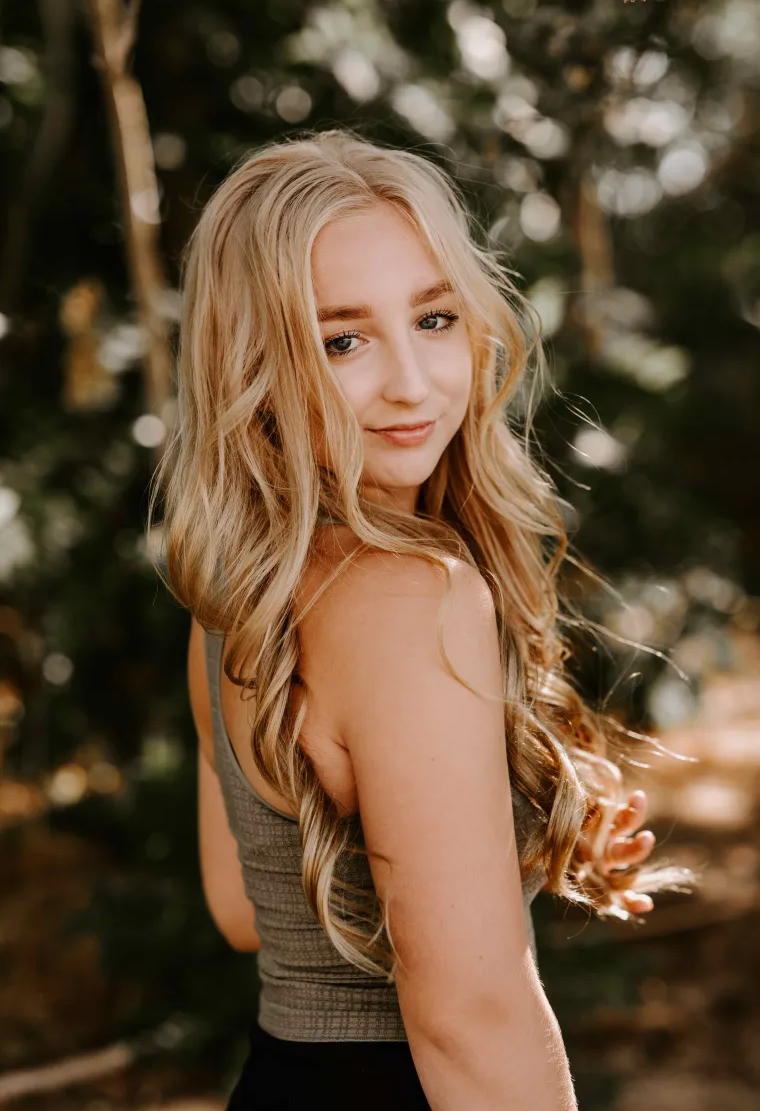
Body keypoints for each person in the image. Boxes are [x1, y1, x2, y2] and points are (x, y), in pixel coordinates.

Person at [151, 129, 692, 1110]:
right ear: (253, 365)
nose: (410, 381)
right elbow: (470, 1016)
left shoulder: (239, 593)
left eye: (435, 318)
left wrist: (507, 844)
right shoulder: (405, 596)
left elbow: (249, 911)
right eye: (341, 340)